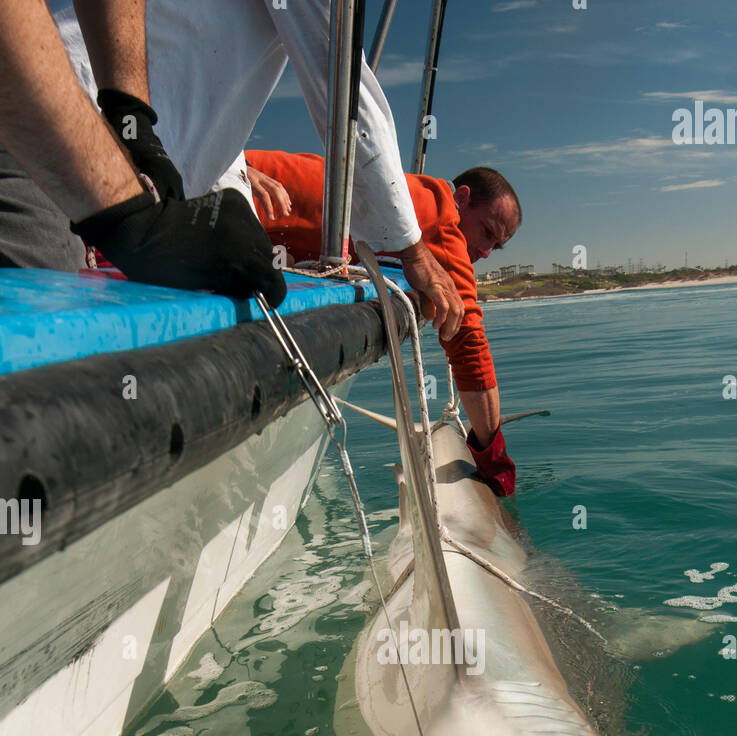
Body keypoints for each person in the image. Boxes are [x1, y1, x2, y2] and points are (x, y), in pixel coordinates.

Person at [0, 0, 463, 337]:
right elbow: (343, 89)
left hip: (103, 155)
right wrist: (410, 248)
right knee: (47, 351)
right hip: (41, 131)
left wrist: (138, 131)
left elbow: (202, 64)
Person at [245, 149, 522, 495]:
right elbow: (469, 347)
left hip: (226, 165)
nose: (484, 251)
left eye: (496, 247)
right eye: (486, 232)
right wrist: (495, 463)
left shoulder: (407, 193)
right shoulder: (442, 218)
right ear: (462, 199)